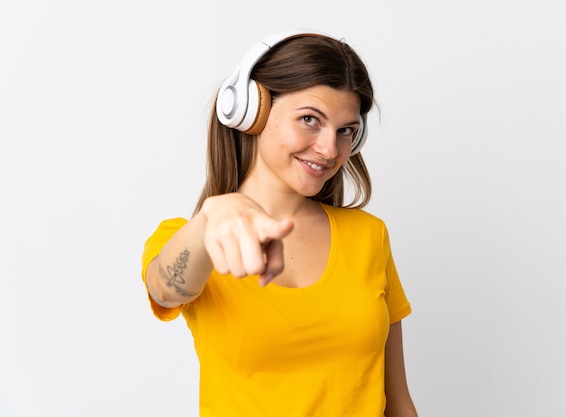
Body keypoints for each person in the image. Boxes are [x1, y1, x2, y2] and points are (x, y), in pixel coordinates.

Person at [141, 29, 418, 417]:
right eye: (310, 119)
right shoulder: (194, 238)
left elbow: (399, 404)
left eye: (345, 131)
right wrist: (211, 218)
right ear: (252, 112)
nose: (329, 149)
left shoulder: (369, 236)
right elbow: (166, 290)